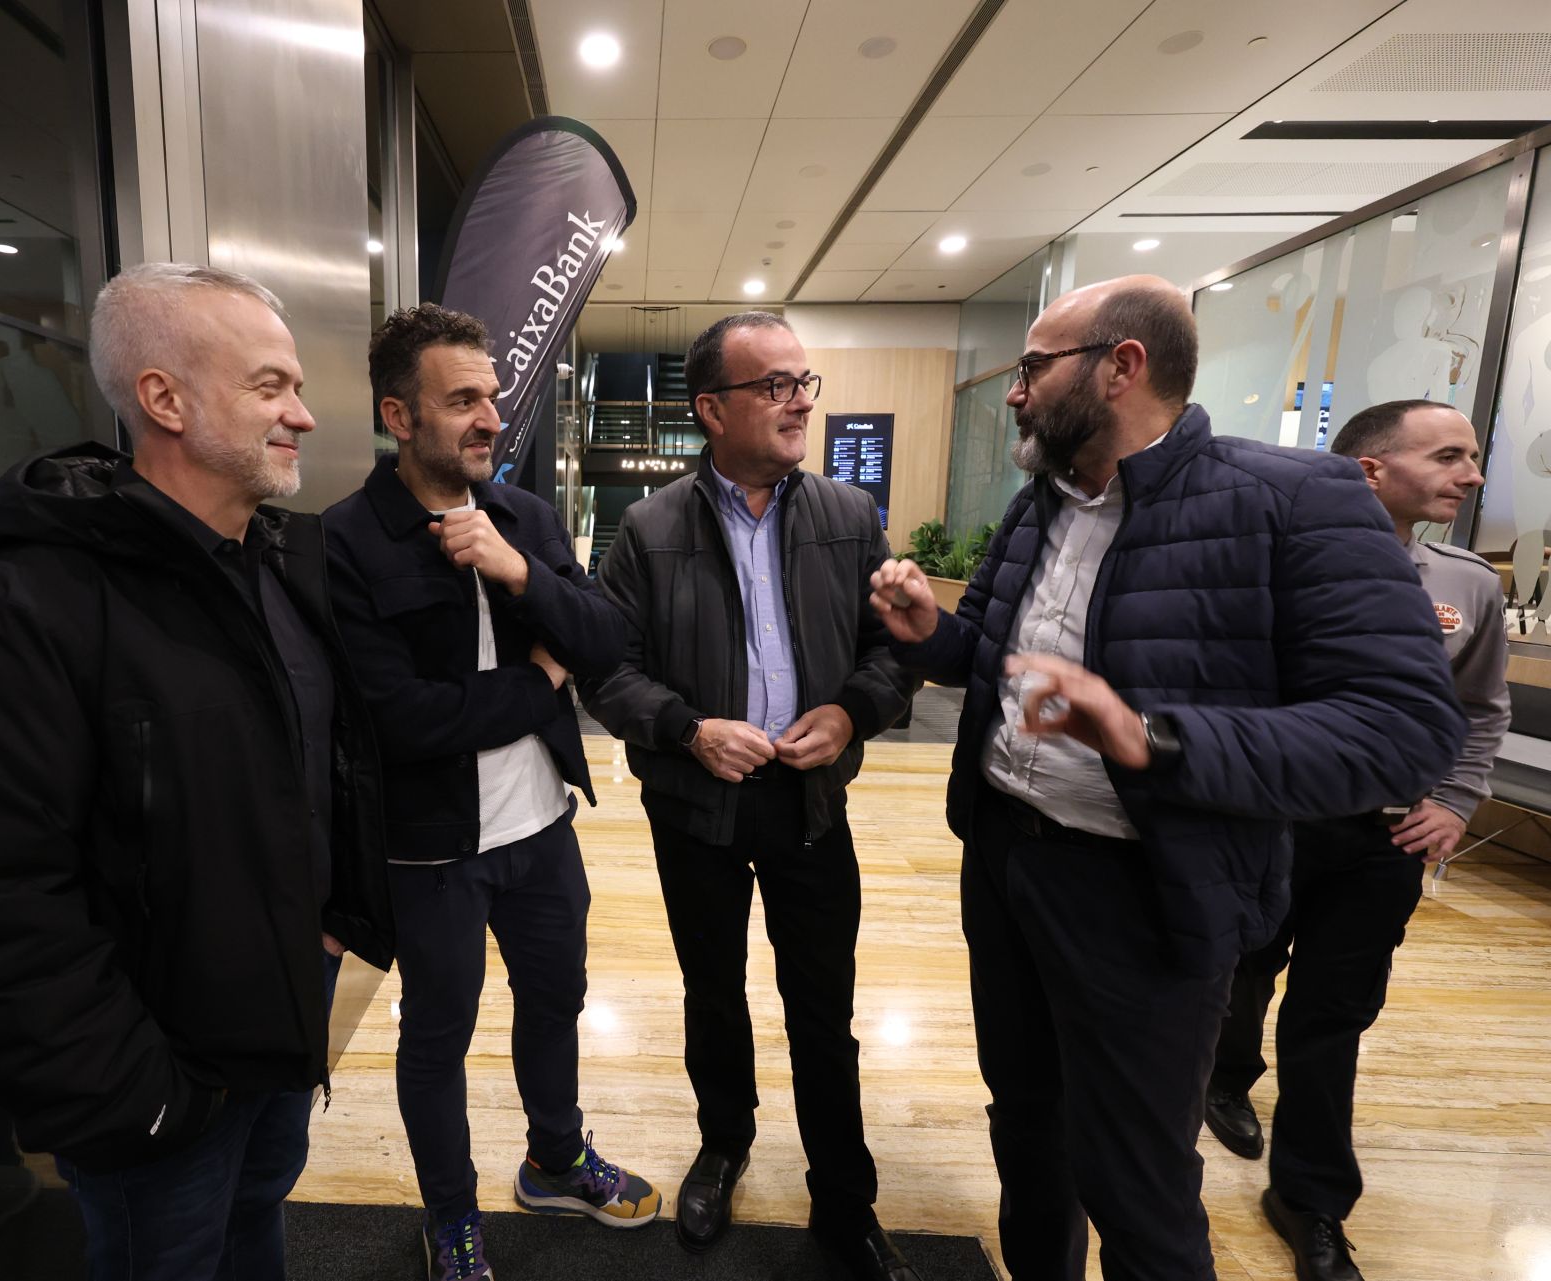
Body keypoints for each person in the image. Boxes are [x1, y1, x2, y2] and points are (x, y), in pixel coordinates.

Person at [867, 276, 1465, 1281]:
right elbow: (1016, 677)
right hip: (1010, 868)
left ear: (1121, 366)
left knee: (1137, 1180)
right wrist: (938, 641)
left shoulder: (1291, 502)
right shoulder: (1039, 505)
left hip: (1149, 896)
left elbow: (1401, 733)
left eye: (1032, 368)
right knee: (1029, 1132)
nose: (1015, 394)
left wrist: (1154, 738)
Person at [0, 262, 392, 1281]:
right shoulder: (15, 611)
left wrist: (337, 917)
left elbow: (315, 769)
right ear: (164, 399)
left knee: (256, 1233)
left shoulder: (282, 569)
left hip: (278, 1022)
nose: (305, 417)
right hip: (154, 1082)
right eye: (271, 387)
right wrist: (133, 1094)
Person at [580, 312, 920, 1281]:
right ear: (710, 410)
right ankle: (723, 1145)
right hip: (697, 810)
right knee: (712, 993)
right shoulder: (646, 531)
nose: (798, 400)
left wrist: (854, 712)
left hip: (812, 807)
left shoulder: (850, 519)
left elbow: (894, 651)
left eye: (802, 381)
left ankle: (844, 1200)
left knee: (824, 1009)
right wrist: (688, 728)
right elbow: (605, 670)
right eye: (772, 385)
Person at [322, 304, 658, 1281]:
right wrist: (540, 684)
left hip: (542, 829)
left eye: (493, 397)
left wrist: (521, 576)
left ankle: (554, 1159)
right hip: (429, 856)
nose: (488, 417)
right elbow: (402, 721)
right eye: (462, 399)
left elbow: (604, 643)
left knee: (557, 999)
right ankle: (452, 1215)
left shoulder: (526, 520)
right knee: (438, 1035)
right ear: (400, 415)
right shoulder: (347, 544)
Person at [1204, 399, 1508, 1280]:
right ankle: (1227, 1075)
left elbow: (1480, 710)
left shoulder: (1466, 585)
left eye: (1475, 455)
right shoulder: (1269, 564)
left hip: (1386, 835)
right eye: (1450, 455)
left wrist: (1455, 798)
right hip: (1276, 820)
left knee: (1335, 1012)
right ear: (1371, 469)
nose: (1472, 473)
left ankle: (1311, 1197)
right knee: (1243, 969)